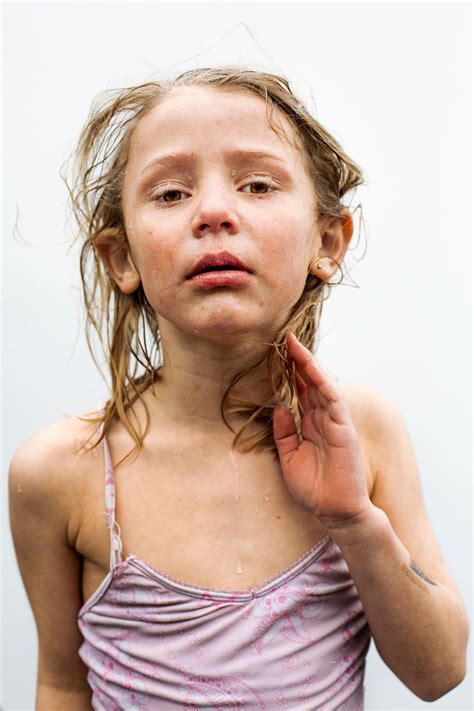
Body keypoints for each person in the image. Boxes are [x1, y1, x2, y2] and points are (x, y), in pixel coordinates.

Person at [8, 66, 468, 710]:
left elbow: (439, 672)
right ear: (121, 258)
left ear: (328, 240)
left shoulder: (368, 433)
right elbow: (59, 684)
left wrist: (354, 522)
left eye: (257, 184)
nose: (215, 212)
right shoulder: (63, 472)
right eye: (170, 194)